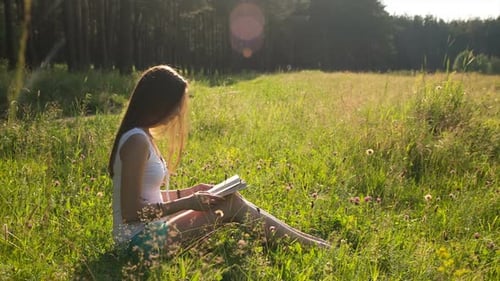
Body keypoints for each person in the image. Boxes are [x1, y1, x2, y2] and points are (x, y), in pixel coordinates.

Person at [108, 65, 330, 260]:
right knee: (231, 204)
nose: (177, 113)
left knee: (229, 198)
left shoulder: (142, 136)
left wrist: (189, 192)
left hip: (148, 233)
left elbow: (148, 197)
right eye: (175, 105)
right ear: (159, 102)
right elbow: (131, 212)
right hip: (137, 245)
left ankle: (310, 243)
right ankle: (312, 247)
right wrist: (188, 203)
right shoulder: (136, 141)